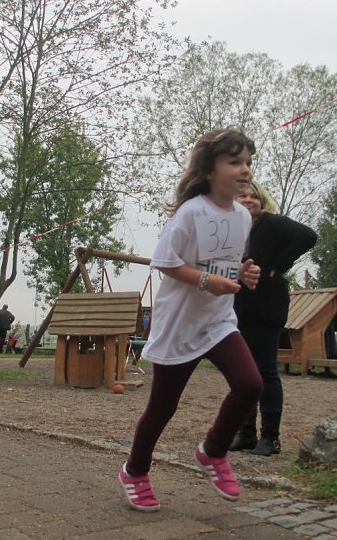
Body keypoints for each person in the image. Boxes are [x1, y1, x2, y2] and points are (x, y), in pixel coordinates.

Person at [118, 127, 263, 512]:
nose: (245, 169)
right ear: (210, 169)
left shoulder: (243, 218)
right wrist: (206, 280)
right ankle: (135, 471)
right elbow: (164, 262)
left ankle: (213, 451)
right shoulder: (192, 211)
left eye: (248, 162)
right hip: (179, 324)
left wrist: (243, 274)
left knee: (250, 385)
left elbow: (227, 267)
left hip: (218, 322)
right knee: (163, 408)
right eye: (234, 162)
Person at [228, 181, 317, 457]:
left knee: (265, 371)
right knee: (242, 373)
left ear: (262, 201)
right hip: (238, 306)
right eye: (242, 196)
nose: (248, 200)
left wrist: (279, 266)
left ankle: (271, 438)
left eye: (254, 196)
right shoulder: (233, 228)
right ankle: (246, 434)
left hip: (267, 306)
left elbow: (308, 236)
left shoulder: (272, 223)